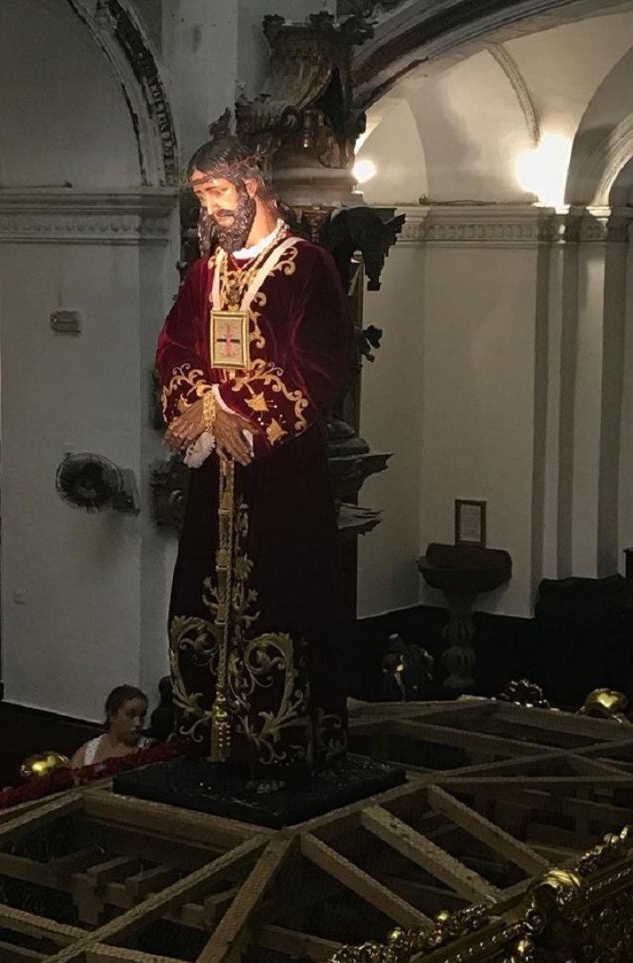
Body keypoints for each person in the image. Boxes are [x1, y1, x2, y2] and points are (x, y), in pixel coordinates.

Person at [155, 136, 353, 780]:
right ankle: (206, 727)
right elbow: (175, 348)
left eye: (216, 193)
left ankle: (281, 737)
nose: (209, 210)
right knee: (203, 586)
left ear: (253, 186)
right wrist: (202, 406)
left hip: (280, 468)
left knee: (282, 589)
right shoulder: (203, 273)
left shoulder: (308, 266)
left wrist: (242, 415)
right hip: (215, 465)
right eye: (201, 197)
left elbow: (321, 362)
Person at [71, 685, 149, 767]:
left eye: (142, 716)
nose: (138, 723)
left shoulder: (150, 751)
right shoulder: (87, 752)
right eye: (130, 715)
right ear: (112, 715)